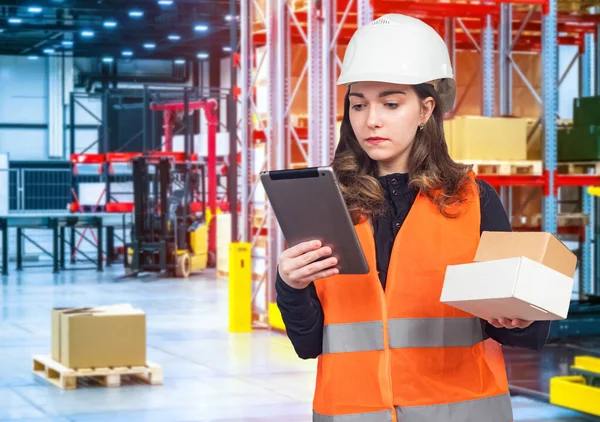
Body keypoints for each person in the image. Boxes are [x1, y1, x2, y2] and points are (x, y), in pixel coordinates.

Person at [275, 13, 551, 422]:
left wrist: (518, 313)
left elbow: (529, 333)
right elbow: (308, 342)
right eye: (358, 105)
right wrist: (290, 285)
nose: (371, 120)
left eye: (390, 103)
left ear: (425, 109)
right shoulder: (330, 205)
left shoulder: (474, 200)